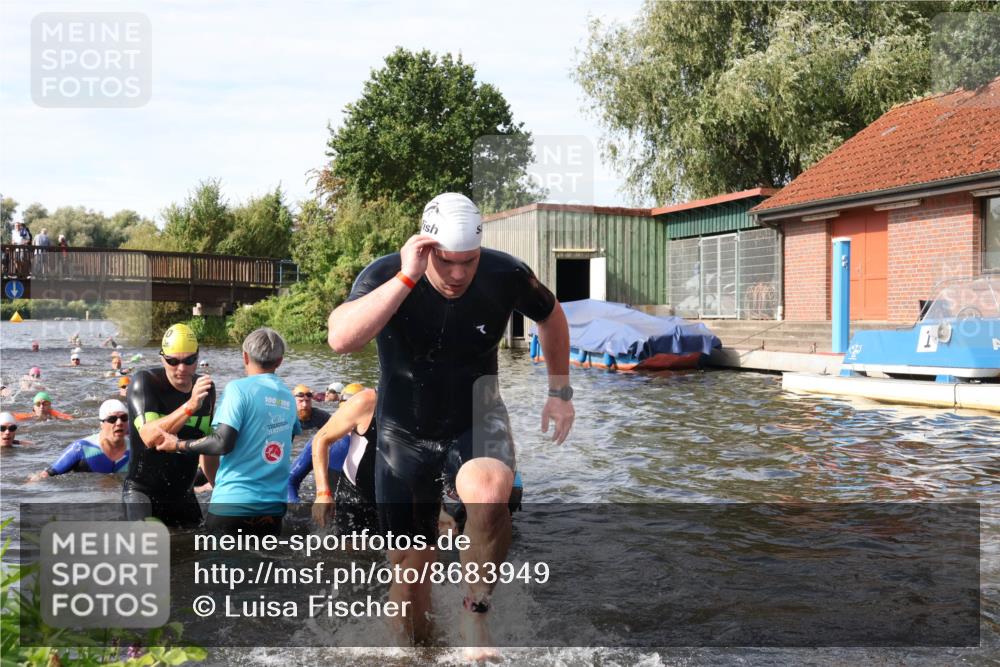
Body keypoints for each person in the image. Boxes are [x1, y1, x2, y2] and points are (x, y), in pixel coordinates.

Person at [326, 191, 574, 654]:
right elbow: (340, 337)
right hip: (402, 434)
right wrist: (406, 277)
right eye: (445, 261)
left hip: (475, 416)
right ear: (424, 247)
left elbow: (552, 315)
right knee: (409, 592)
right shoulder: (385, 274)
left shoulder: (505, 274)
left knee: (489, 488)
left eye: (468, 261)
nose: (458, 274)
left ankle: (475, 612)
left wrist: (559, 391)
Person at [155, 328, 300, 537]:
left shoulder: (237, 389)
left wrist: (176, 444)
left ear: (245, 356)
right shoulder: (288, 396)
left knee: (217, 569)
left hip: (233, 505)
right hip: (273, 511)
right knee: (266, 569)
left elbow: (221, 443)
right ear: (279, 361)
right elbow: (284, 445)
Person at [123, 323, 216, 528]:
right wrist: (190, 405)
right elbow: (150, 437)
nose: (181, 368)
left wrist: (219, 488)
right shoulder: (145, 383)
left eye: (189, 360)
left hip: (183, 495)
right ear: (162, 358)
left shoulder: (206, 389)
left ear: (197, 358)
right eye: (173, 361)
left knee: (200, 553)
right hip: (143, 494)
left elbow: (207, 450)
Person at [311, 384, 379, 534]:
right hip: (355, 496)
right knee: (348, 554)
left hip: (399, 496)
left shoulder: (429, 404)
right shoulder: (366, 401)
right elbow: (320, 439)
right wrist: (323, 493)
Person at [287, 382, 363, 504]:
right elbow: (290, 480)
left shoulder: (320, 428)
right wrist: (297, 508)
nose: (305, 405)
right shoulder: (320, 443)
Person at [29, 400, 129, 481]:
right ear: (101, 424)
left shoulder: (137, 449)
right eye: (112, 419)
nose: (119, 423)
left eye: (124, 418)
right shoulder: (81, 448)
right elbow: (45, 476)